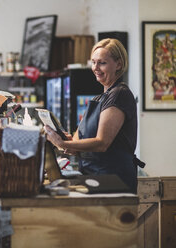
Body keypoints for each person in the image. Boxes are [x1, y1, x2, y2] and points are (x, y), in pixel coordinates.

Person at [45, 38, 141, 193]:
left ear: (119, 64)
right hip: (94, 177)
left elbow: (102, 143)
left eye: (102, 63)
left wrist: (65, 145)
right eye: (93, 62)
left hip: (114, 179)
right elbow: (77, 145)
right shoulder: (98, 99)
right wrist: (65, 140)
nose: (95, 68)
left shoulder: (119, 94)